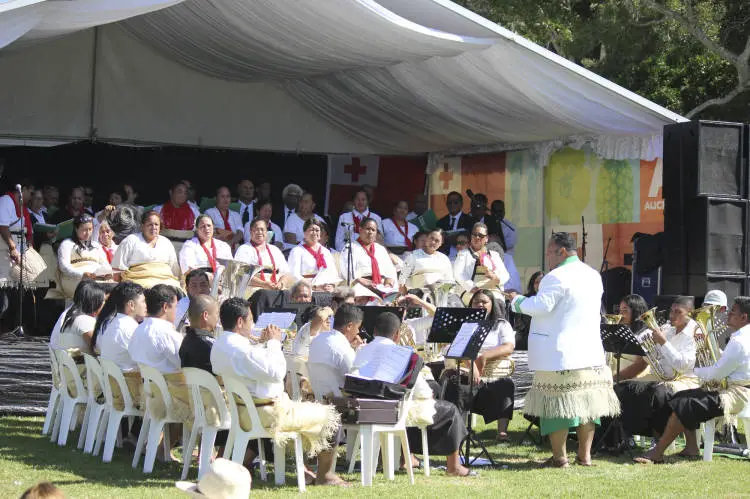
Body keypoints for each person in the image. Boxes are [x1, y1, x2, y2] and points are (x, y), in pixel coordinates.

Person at [509, 232, 619, 467]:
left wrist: (517, 301)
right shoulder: (593, 275)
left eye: (549, 252)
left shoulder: (555, 276)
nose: (547, 257)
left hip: (559, 353)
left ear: (561, 252)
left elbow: (542, 305)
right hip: (589, 352)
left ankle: (560, 457)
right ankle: (585, 455)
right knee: (587, 406)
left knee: (554, 406)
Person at [210, 298, 342, 486]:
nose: (253, 325)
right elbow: (277, 372)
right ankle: (325, 476)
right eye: (250, 320)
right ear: (240, 322)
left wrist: (264, 344)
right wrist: (273, 342)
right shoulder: (239, 348)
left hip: (244, 412)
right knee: (331, 416)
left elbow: (252, 364)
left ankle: (304, 468)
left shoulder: (221, 344)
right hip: (268, 414)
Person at [353, 312, 473, 477]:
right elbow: (422, 391)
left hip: (364, 407)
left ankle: (404, 456)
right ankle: (454, 467)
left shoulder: (361, 350)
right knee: (450, 410)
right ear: (397, 334)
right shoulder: (403, 353)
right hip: (391, 411)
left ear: (374, 331)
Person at [634, 295, 750, 464]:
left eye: (732, 312)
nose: (728, 314)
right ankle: (691, 448)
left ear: (744, 317)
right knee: (682, 397)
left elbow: (717, 373)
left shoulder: (740, 341)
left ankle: (657, 452)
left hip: (735, 395)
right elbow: (726, 365)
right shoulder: (741, 337)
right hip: (732, 388)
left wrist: (696, 370)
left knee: (685, 402)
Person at [615, 296, 700, 441]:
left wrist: (663, 342)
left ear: (690, 313)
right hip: (662, 377)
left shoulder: (695, 333)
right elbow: (652, 358)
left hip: (686, 380)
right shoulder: (670, 330)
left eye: (678, 312)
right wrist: (647, 343)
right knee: (623, 388)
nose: (672, 315)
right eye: (671, 311)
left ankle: (657, 440)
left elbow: (682, 365)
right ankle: (624, 437)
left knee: (657, 393)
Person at [442, 290, 516, 440]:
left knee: (506, 385)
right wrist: (472, 365)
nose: (480, 305)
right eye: (476, 302)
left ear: (492, 305)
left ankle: (502, 432)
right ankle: (457, 432)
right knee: (455, 385)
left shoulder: (501, 324)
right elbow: (452, 348)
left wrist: (484, 357)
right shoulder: (463, 324)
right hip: (464, 366)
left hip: (491, 370)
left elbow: (508, 347)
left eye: (484, 302)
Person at [128, 284, 191, 424]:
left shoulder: (139, 329)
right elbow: (184, 364)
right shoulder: (165, 333)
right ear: (165, 307)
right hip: (170, 396)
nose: (176, 310)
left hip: (149, 393)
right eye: (175, 306)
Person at [95, 281, 147, 410]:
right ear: (131, 305)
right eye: (144, 301)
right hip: (130, 392)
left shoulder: (111, 323)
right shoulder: (131, 329)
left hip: (115, 390)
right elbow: (147, 361)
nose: (147, 306)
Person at [111, 210, 181, 289]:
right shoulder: (130, 240)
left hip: (166, 282)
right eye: (150, 224)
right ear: (142, 226)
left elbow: (174, 270)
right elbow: (117, 270)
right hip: (138, 283)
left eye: (156, 224)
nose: (154, 227)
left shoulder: (166, 242)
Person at [308, 304, 365, 394]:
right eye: (358, 327)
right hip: (338, 402)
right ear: (349, 326)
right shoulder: (345, 350)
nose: (358, 332)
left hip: (316, 396)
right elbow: (356, 383)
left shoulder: (318, 338)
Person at [57, 215, 112, 299]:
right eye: (84, 230)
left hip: (96, 278)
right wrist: (82, 274)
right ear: (76, 229)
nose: (88, 233)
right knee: (90, 289)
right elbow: (64, 266)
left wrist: (107, 273)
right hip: (75, 280)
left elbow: (105, 264)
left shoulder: (96, 245)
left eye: (90, 229)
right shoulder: (67, 244)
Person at [453, 222, 510, 303]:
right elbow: (458, 273)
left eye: (480, 235)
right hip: (471, 290)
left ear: (486, 238)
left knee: (497, 300)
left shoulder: (494, 255)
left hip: (492, 289)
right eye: (474, 234)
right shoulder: (463, 254)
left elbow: (505, 275)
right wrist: (471, 287)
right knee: (479, 300)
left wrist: (496, 278)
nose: (477, 237)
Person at [292, 287, 354, 358]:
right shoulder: (311, 326)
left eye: (353, 306)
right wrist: (327, 312)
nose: (351, 310)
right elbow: (320, 317)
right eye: (348, 305)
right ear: (334, 304)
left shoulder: (341, 328)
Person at [338, 217, 397, 290]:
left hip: (381, 286)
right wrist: (359, 281)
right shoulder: (350, 247)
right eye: (368, 229)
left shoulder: (381, 249)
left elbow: (390, 270)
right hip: (361, 286)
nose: (370, 232)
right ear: (360, 230)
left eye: (373, 230)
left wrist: (389, 283)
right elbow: (346, 270)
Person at [235, 218, 293, 291]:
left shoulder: (275, 250)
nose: (260, 232)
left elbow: (286, 273)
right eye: (256, 229)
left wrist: (281, 283)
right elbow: (241, 273)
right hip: (255, 288)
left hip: (276, 286)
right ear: (250, 231)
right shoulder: (244, 249)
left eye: (262, 229)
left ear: (266, 232)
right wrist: (264, 284)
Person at [51, 281, 106, 355]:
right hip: (82, 365)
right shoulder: (84, 321)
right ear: (94, 302)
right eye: (103, 301)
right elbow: (100, 349)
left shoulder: (70, 316)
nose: (104, 304)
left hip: (70, 364)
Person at [287, 218, 338, 291]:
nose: (314, 233)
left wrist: (332, 285)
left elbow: (333, 273)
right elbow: (294, 275)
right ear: (304, 233)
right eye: (311, 230)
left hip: (325, 291)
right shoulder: (297, 251)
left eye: (317, 230)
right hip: (305, 291)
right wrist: (314, 287)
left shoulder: (326, 252)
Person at [0, 180, 34, 288]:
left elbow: (28, 233)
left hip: (18, 256)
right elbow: (3, 227)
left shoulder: (24, 210)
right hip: (5, 254)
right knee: (5, 287)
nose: (31, 197)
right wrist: (12, 247)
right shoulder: (6, 201)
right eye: (31, 193)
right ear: (22, 190)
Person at [179, 294, 220, 373]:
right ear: (205, 315)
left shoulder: (186, 341)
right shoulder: (209, 344)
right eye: (216, 314)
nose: (217, 319)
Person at [492, 200, 521, 293]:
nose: (497, 214)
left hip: (506, 260)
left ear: (504, 212)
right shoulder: (488, 224)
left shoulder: (510, 227)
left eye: (500, 211)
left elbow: (507, 245)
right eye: (495, 211)